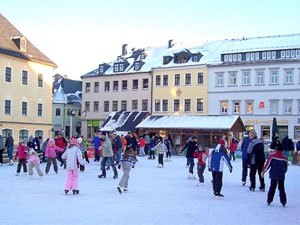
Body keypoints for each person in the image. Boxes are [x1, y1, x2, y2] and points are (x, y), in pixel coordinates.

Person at [261, 142, 288, 207]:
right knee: (281, 188)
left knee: (272, 187)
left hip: (273, 174)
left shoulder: (272, 156)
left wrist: (263, 171)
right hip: (281, 175)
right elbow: (286, 168)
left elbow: (267, 165)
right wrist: (283, 173)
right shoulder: (285, 158)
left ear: (276, 149)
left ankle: (269, 200)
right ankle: (283, 201)